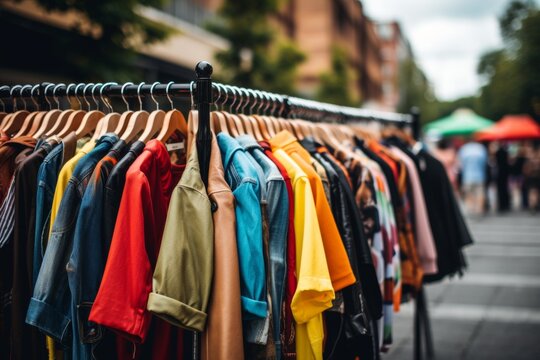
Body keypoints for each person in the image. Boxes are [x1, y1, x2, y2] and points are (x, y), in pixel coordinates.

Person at [458, 140, 488, 216]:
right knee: (480, 194)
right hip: (480, 175)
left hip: (467, 176)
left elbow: (460, 164)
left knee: (469, 194)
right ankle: (479, 210)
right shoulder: (481, 148)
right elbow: (485, 162)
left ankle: (471, 209)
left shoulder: (464, 149)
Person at [523, 146, 540, 213]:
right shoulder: (535, 161)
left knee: (532, 193)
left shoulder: (529, 161)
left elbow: (525, 171)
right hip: (535, 179)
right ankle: (534, 206)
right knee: (534, 193)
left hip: (532, 179)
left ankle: (532, 206)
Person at [495, 144, 511, 212]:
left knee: (500, 190)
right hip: (504, 173)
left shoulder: (497, 152)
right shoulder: (505, 152)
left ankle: (501, 205)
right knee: (504, 189)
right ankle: (505, 205)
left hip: (500, 173)